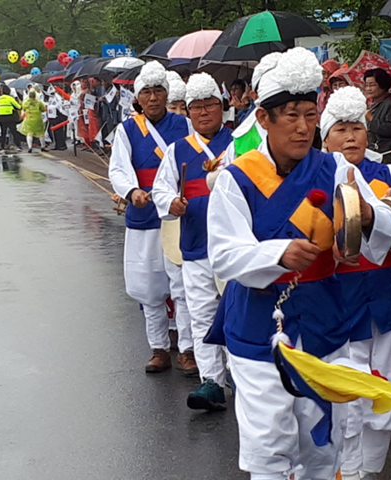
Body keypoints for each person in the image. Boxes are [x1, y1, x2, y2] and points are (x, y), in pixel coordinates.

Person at [206, 47, 391, 480]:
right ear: (263, 119)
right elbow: (224, 253)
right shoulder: (237, 179)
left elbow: (379, 224)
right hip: (259, 326)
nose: (302, 127)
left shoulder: (334, 169)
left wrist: (367, 216)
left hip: (322, 321)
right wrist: (277, 253)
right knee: (269, 444)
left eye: (310, 115)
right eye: (290, 115)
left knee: (321, 441)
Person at [319, 86, 391, 480]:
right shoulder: (313, 175)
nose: (350, 137)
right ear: (325, 137)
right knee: (342, 394)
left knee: (387, 388)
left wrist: (374, 217)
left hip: (385, 302)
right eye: (340, 130)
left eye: (356, 128)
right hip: (335, 305)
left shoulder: (386, 173)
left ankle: (368, 472)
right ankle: (344, 471)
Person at [109, 61, 196, 375]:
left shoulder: (184, 125)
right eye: (147, 91)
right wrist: (132, 192)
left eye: (159, 90)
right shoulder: (128, 129)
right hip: (144, 216)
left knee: (182, 287)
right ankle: (159, 348)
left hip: (174, 216)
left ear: (166, 93)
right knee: (149, 287)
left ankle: (187, 349)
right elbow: (118, 167)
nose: (154, 97)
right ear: (139, 97)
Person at [153, 73, 233, 411]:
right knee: (201, 314)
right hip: (196, 243)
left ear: (222, 107)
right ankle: (211, 381)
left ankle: (242, 376)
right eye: (196, 108)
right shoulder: (178, 150)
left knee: (236, 312)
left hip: (234, 244)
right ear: (188, 112)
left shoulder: (239, 143)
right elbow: (161, 188)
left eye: (210, 106)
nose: (203, 113)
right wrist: (171, 203)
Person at [0, 85, 23, 151]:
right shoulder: (10, 98)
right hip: (10, 117)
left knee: (3, 133)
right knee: (14, 132)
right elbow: (18, 107)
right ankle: (19, 146)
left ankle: (2, 146)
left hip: (1, 118)